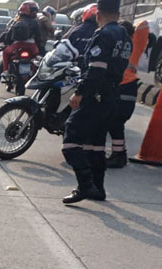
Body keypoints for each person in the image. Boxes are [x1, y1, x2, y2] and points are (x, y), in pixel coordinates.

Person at [61, 0, 132, 204]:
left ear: (98, 15)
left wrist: (80, 93)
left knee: (71, 140)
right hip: (112, 96)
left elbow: (96, 70)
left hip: (96, 95)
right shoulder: (125, 36)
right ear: (118, 14)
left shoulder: (103, 35)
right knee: (95, 145)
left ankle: (85, 186)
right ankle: (98, 189)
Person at [106, 20, 149, 169]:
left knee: (114, 122)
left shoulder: (123, 44)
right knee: (115, 123)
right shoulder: (136, 44)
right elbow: (144, 25)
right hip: (128, 87)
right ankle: (119, 154)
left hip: (122, 86)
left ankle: (118, 156)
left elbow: (144, 24)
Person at [2, 1, 41, 72]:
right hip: (32, 46)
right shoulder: (35, 22)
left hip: (17, 45)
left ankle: (5, 71)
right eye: (33, 10)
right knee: (38, 57)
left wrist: (7, 43)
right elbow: (39, 36)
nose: (34, 12)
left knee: (5, 53)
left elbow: (9, 35)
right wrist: (39, 46)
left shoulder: (16, 21)